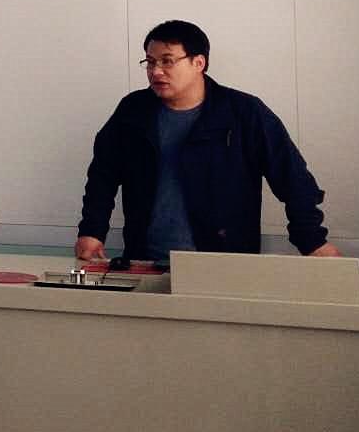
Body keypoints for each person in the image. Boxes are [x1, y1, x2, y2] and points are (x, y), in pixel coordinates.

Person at [75, 20, 341, 263]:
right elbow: (102, 175)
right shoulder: (133, 111)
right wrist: (92, 231)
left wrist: (312, 240)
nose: (156, 71)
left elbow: (293, 179)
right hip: (145, 260)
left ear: (198, 63)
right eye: (150, 62)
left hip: (224, 263)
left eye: (167, 61)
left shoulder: (243, 112)